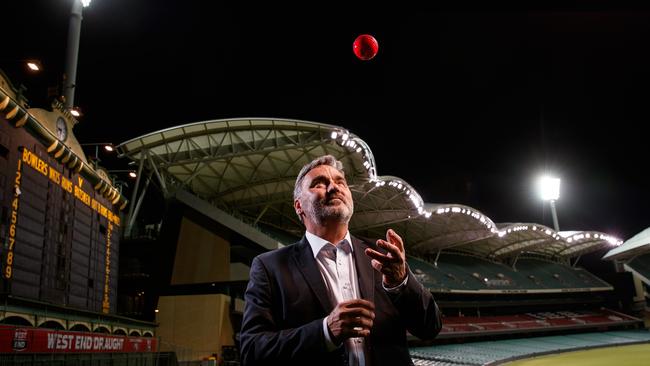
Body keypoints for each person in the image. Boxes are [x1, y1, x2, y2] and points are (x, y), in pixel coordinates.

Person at [239, 155, 441, 366]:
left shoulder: (383, 256)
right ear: (299, 206)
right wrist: (326, 331)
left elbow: (430, 328)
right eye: (319, 183)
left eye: (340, 182)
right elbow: (252, 350)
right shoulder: (270, 266)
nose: (333, 187)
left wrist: (401, 283)